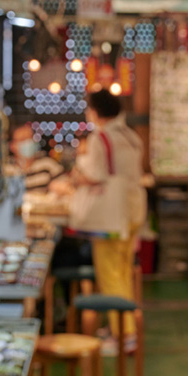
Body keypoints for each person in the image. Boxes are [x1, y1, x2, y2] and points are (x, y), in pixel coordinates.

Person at [68, 89, 147, 353]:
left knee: (111, 274)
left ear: (96, 111)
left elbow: (95, 174)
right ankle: (121, 328)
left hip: (112, 215)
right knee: (123, 270)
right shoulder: (131, 136)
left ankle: (124, 336)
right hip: (134, 210)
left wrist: (77, 173)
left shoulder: (100, 137)